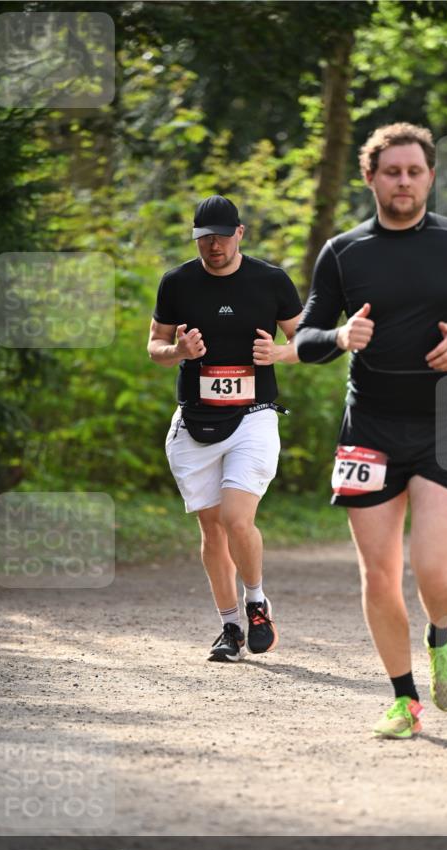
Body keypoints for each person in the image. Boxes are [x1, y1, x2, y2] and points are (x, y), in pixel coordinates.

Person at [293, 123, 447, 738]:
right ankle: (404, 700)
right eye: (392, 171)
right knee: (379, 573)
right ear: (370, 177)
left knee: (435, 573)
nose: (403, 181)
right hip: (368, 425)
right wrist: (340, 335)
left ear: (430, 176)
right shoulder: (343, 252)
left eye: (414, 171)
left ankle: (441, 634)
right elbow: (306, 338)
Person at [148, 195, 302, 663]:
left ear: (240, 233)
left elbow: (305, 340)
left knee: (237, 519)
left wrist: (279, 354)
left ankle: (256, 602)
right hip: (195, 419)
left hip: (254, 414)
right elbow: (154, 345)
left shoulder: (271, 280)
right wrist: (178, 352)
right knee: (212, 531)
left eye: (221, 236)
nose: (213, 246)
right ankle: (230, 627)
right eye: (204, 238)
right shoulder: (177, 282)